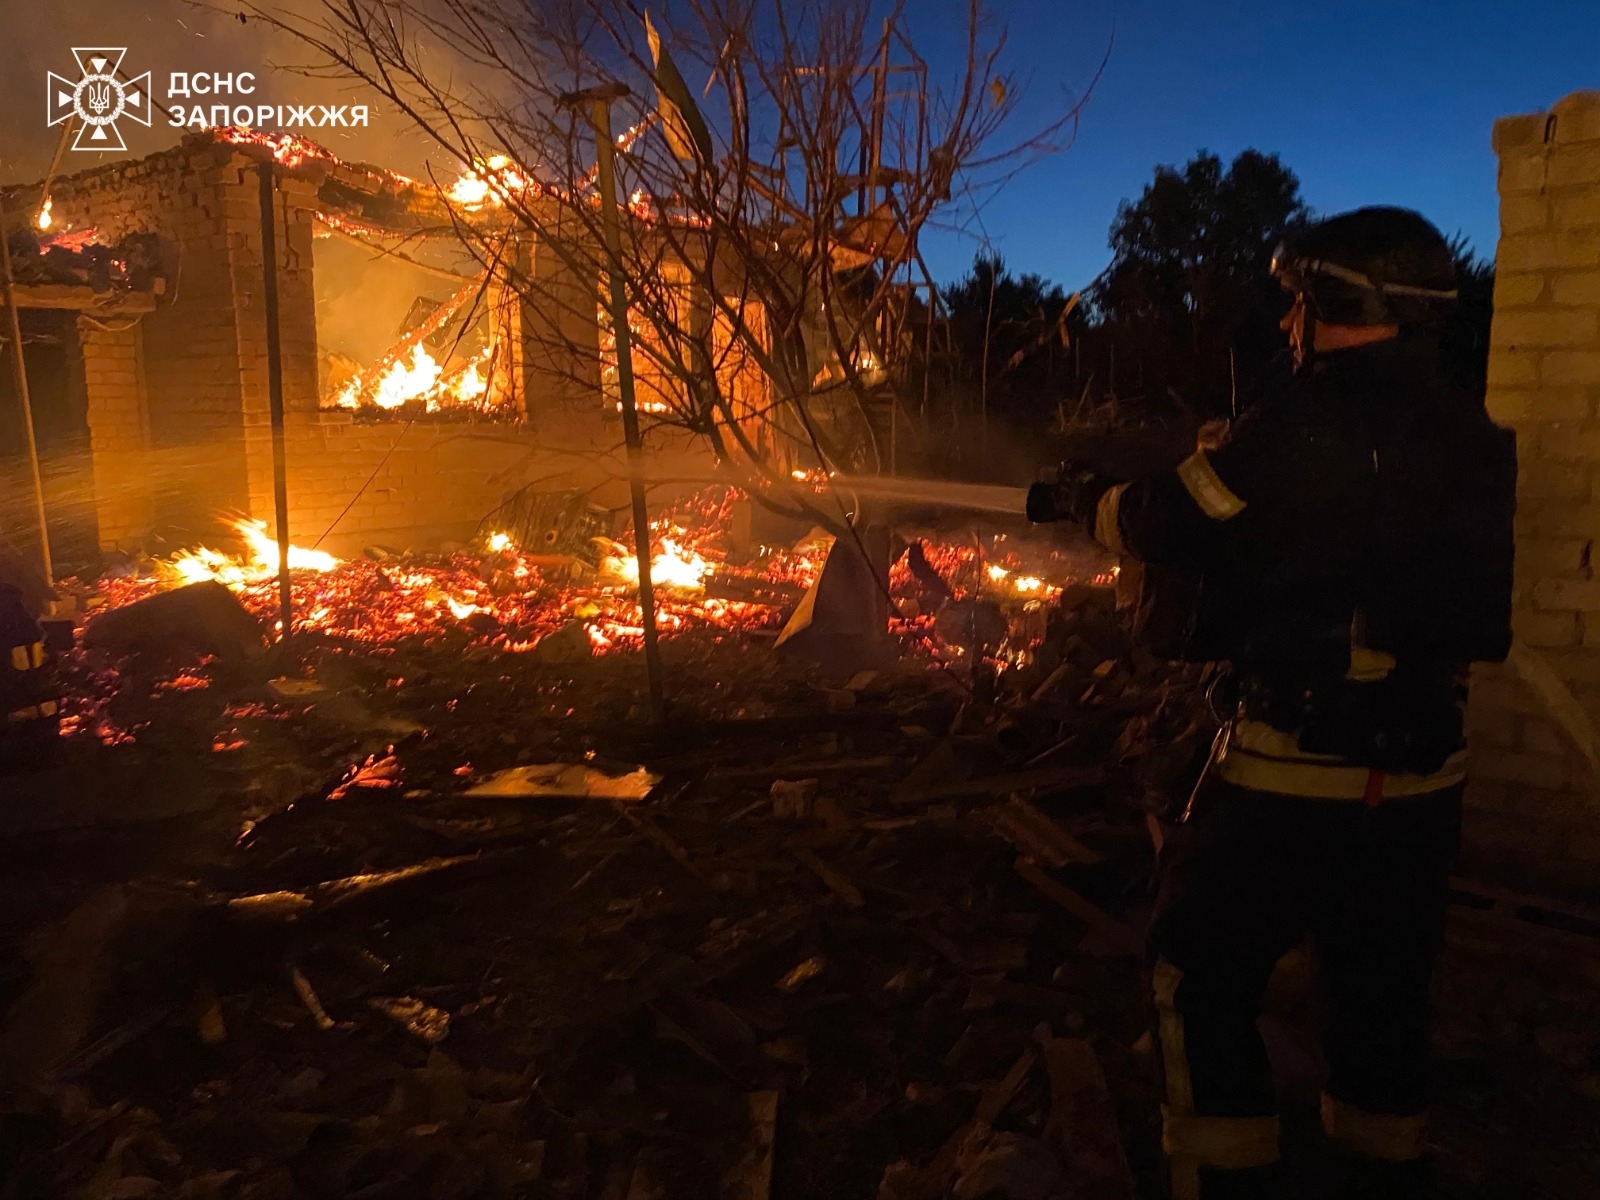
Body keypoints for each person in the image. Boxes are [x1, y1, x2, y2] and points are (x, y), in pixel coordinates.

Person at [1027, 207, 1516, 1199]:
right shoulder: (1469, 433)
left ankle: (1224, 1179)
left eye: (1299, 301)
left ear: (1335, 303)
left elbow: (1167, 518)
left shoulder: (1295, 427)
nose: (1289, 323)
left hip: (1293, 770)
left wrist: (1087, 500)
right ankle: (1380, 1171)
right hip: (1422, 777)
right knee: (1377, 988)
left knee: (1194, 974)